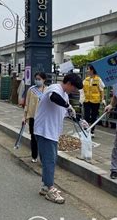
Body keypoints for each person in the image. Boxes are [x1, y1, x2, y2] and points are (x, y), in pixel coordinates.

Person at [34, 73, 83, 204]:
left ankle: (45, 186)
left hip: (52, 132)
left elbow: (68, 113)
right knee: (49, 160)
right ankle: (50, 189)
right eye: (74, 88)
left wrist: (80, 120)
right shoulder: (55, 89)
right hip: (45, 130)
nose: (73, 91)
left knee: (50, 159)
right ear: (69, 84)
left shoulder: (65, 96)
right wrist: (67, 106)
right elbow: (54, 98)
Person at [22, 72, 47, 163]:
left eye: (39, 79)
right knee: (34, 137)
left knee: (43, 138)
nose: (37, 80)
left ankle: (43, 157)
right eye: (36, 78)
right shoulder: (31, 90)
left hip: (43, 118)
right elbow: (27, 104)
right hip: (33, 117)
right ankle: (34, 155)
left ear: (44, 80)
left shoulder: (47, 90)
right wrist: (24, 116)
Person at [80, 65, 105, 137]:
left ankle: (92, 131)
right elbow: (82, 89)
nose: (87, 71)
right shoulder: (86, 79)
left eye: (88, 69)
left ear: (92, 70)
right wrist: (81, 99)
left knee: (94, 116)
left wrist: (102, 99)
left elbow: (102, 90)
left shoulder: (98, 79)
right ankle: (85, 130)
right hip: (87, 100)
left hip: (95, 101)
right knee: (86, 116)